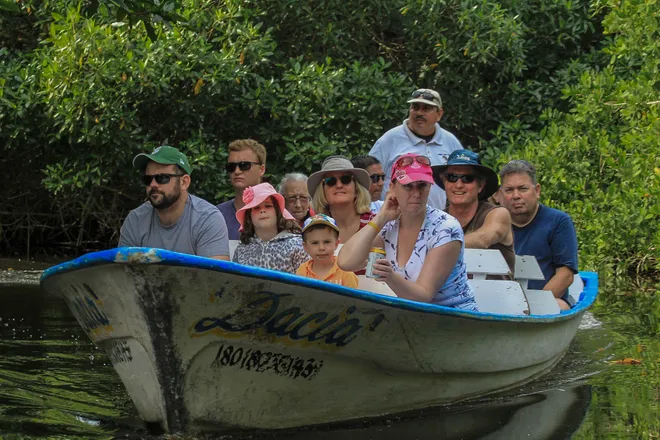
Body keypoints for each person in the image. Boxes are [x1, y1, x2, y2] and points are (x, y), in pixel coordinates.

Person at [338, 153, 478, 311]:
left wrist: (390, 277)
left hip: (457, 318)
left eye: (422, 185)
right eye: (408, 186)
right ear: (392, 188)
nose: (416, 194)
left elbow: (424, 295)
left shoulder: (446, 227)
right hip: (413, 319)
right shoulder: (388, 223)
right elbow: (346, 262)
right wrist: (380, 219)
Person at [119, 146, 230, 260]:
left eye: (162, 178)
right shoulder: (135, 220)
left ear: (184, 182)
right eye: (148, 179)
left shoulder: (207, 219)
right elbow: (123, 273)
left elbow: (216, 275)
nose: (153, 184)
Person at [499, 160, 578, 310]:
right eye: (509, 190)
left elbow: (565, 275)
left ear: (537, 191)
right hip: (502, 299)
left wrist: (533, 306)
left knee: (559, 306)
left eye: (522, 189)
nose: (516, 196)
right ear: (501, 195)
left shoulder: (558, 221)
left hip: (546, 298)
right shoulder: (493, 221)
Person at [369, 88, 463, 210]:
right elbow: (368, 179)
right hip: (393, 219)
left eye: (426, 108)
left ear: (439, 114)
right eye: (415, 107)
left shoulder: (450, 142)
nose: (419, 113)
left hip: (437, 222)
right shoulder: (389, 140)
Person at [432, 149, 515, 276]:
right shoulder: (436, 220)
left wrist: (435, 247)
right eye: (452, 177)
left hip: (499, 294)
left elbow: (483, 239)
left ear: (480, 185)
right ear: (445, 183)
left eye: (467, 178)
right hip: (449, 295)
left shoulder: (497, 214)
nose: (458, 185)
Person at [232, 183, 309, 273]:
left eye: (268, 206)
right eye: (256, 207)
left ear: (278, 212)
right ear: (249, 216)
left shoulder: (297, 245)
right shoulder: (241, 250)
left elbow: (308, 283)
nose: (263, 210)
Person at [307, 155, 375, 245]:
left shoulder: (375, 223)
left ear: (356, 189)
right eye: (330, 181)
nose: (339, 185)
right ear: (322, 191)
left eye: (345, 179)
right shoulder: (314, 229)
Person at [217, 139, 266, 240]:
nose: (237, 171)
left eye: (244, 165)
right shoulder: (216, 215)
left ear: (261, 169)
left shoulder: (279, 214)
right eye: (231, 167)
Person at [296, 214, 359, 288]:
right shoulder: (302, 271)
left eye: (327, 242)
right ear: (305, 247)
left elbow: (353, 299)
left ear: (336, 244)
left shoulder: (346, 272)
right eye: (315, 243)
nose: (321, 248)